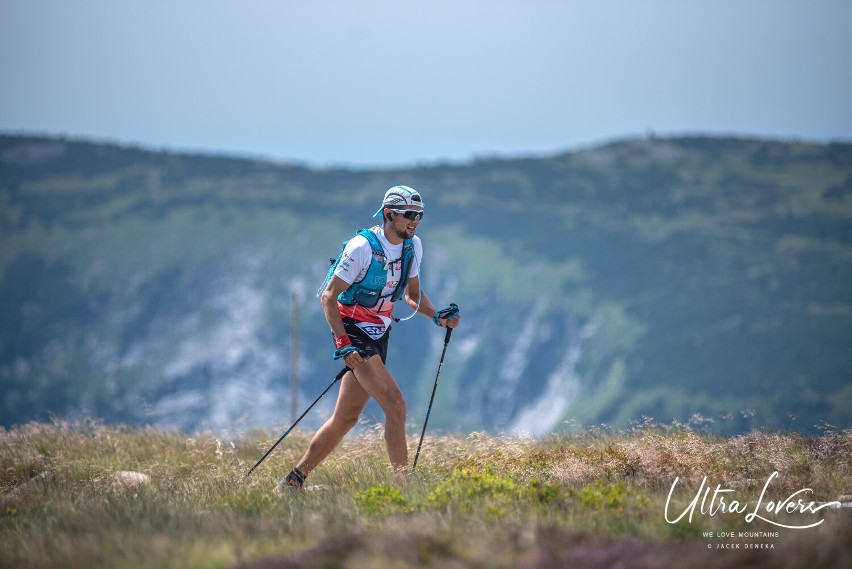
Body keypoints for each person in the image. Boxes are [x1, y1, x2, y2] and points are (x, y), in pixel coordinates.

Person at [276, 185, 461, 494]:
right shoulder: (362, 247)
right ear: (389, 214)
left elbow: (412, 296)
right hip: (352, 330)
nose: (415, 221)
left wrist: (438, 315)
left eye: (420, 215)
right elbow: (328, 297)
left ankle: (293, 481)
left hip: (379, 331)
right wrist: (342, 344)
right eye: (408, 215)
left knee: (346, 418)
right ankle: (405, 488)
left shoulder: (412, 246)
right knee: (396, 405)